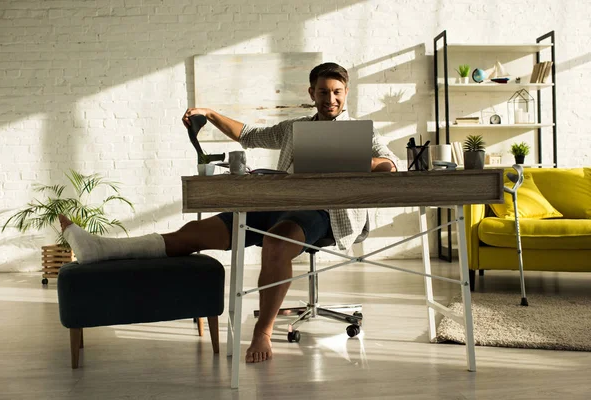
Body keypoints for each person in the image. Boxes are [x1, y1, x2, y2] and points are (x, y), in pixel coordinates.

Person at [58, 62, 400, 364]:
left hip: (325, 213)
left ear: (346, 93)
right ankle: (99, 249)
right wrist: (209, 113)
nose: (330, 99)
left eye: (337, 92)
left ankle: (263, 333)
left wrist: (358, 160)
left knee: (277, 245)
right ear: (312, 93)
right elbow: (248, 136)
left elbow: (390, 165)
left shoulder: (363, 132)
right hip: (275, 202)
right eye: (323, 92)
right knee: (192, 234)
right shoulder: (296, 128)